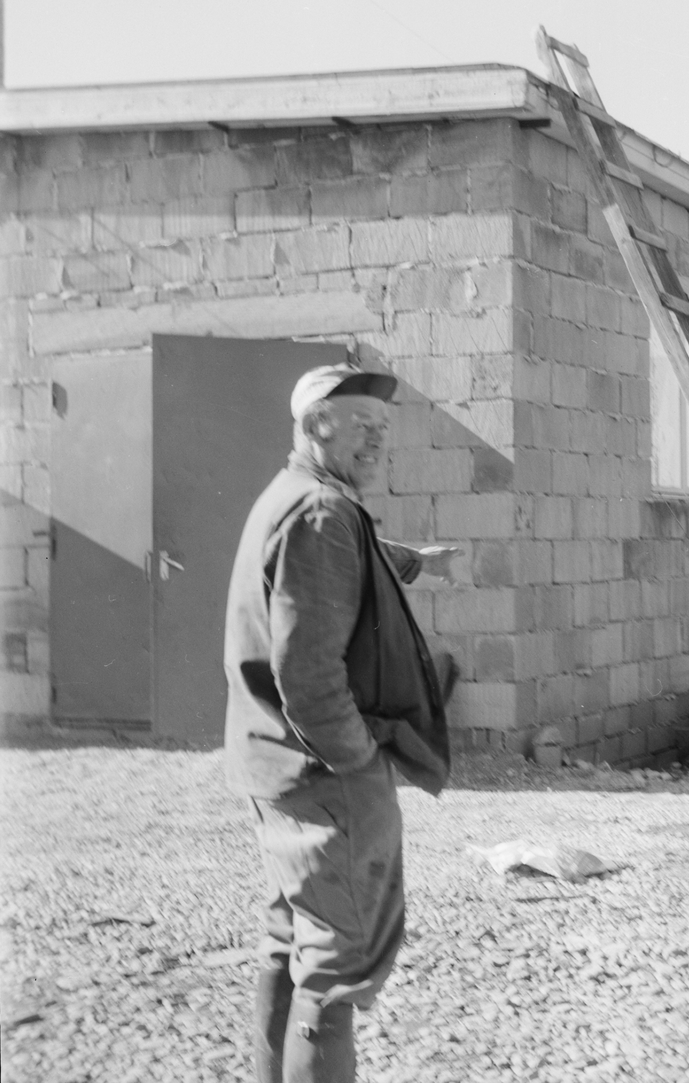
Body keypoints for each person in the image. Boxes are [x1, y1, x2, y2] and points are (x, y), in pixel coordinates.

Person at [224, 363, 458, 1083]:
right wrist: (358, 758)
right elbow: (310, 671)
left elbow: (331, 565)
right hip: (328, 774)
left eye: (383, 430)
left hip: (276, 765)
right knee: (337, 964)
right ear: (316, 424)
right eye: (362, 425)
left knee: (291, 941)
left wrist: (407, 562)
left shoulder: (293, 496)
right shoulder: (324, 513)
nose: (377, 441)